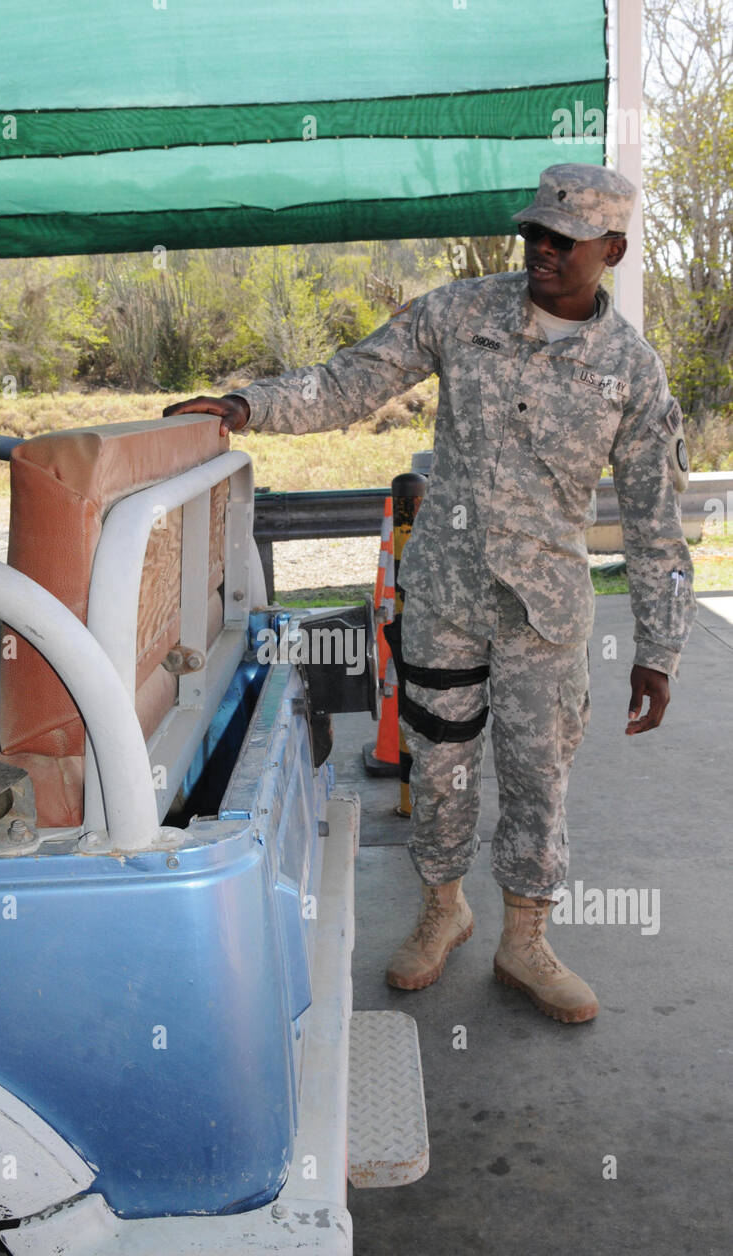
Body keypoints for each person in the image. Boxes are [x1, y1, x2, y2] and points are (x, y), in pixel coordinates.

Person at [162, 163, 696, 1024]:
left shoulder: (630, 371)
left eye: (566, 240)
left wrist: (659, 649)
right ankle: (443, 911)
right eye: (535, 233)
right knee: (438, 766)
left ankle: (526, 941)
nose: (544, 250)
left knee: (538, 779)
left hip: (545, 615)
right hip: (446, 596)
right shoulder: (461, 312)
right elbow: (348, 381)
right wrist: (242, 406)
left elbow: (654, 521)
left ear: (614, 250)